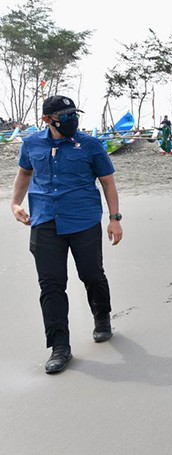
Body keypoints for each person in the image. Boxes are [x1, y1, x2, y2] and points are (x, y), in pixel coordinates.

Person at [10, 95, 123, 374]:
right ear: (47, 120)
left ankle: (102, 316)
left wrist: (114, 219)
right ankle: (60, 346)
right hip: (44, 222)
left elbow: (107, 183)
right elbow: (24, 174)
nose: (72, 119)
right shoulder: (32, 143)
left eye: (74, 114)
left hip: (83, 220)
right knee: (51, 285)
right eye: (65, 116)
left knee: (92, 275)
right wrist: (15, 203)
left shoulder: (91, 145)